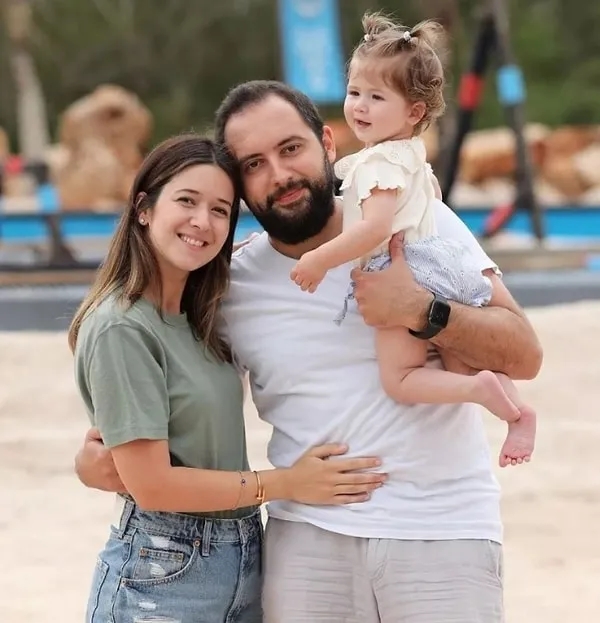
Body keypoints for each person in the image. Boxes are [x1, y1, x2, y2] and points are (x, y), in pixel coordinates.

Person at [75, 81, 543, 623]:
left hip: (442, 532)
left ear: (327, 144)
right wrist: (92, 463)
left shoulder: (415, 224)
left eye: (290, 148)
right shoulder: (229, 286)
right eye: (254, 164)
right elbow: (158, 383)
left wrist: (423, 311)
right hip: (304, 541)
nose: (279, 174)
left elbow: (525, 356)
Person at [69, 134, 387, 623]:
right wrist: (288, 483)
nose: (203, 221)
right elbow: (153, 486)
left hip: (240, 556)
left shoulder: (199, 317)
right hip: (162, 568)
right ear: (144, 209)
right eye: (187, 201)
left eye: (220, 210)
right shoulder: (121, 326)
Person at [289, 12, 536, 468]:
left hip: (400, 272)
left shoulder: (377, 163)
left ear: (415, 112)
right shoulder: (410, 155)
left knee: (400, 378)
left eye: (376, 97)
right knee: (463, 359)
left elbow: (374, 228)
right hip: (441, 262)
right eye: (354, 92)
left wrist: (319, 259)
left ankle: (479, 390)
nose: (359, 107)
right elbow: (430, 200)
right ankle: (517, 413)